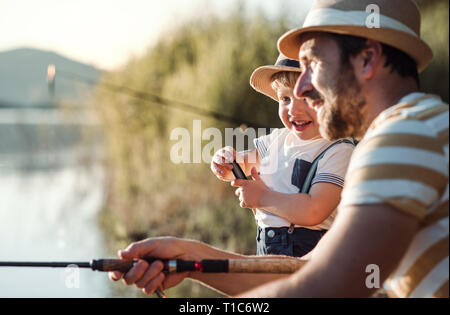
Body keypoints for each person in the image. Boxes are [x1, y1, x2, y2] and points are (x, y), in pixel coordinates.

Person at [109, 0, 448, 298]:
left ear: (367, 58)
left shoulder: (406, 135)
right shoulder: (411, 133)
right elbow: (306, 271)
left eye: (313, 64)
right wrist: (192, 258)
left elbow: (328, 287)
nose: (302, 86)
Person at [210, 54, 354, 257]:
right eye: (285, 98)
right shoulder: (276, 140)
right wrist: (226, 163)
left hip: (310, 253)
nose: (294, 109)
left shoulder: (338, 150)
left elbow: (314, 210)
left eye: (306, 97)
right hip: (267, 246)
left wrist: (262, 197)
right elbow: (243, 166)